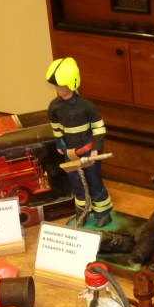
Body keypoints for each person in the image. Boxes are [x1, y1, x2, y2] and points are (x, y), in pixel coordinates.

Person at [46, 57, 113, 227]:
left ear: (72, 83)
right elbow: (56, 129)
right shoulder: (54, 107)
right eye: (56, 86)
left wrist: (96, 148)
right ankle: (82, 212)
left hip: (88, 152)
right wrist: (59, 144)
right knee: (77, 185)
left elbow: (99, 128)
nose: (58, 89)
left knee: (94, 182)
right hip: (70, 154)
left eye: (61, 85)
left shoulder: (87, 106)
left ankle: (103, 213)